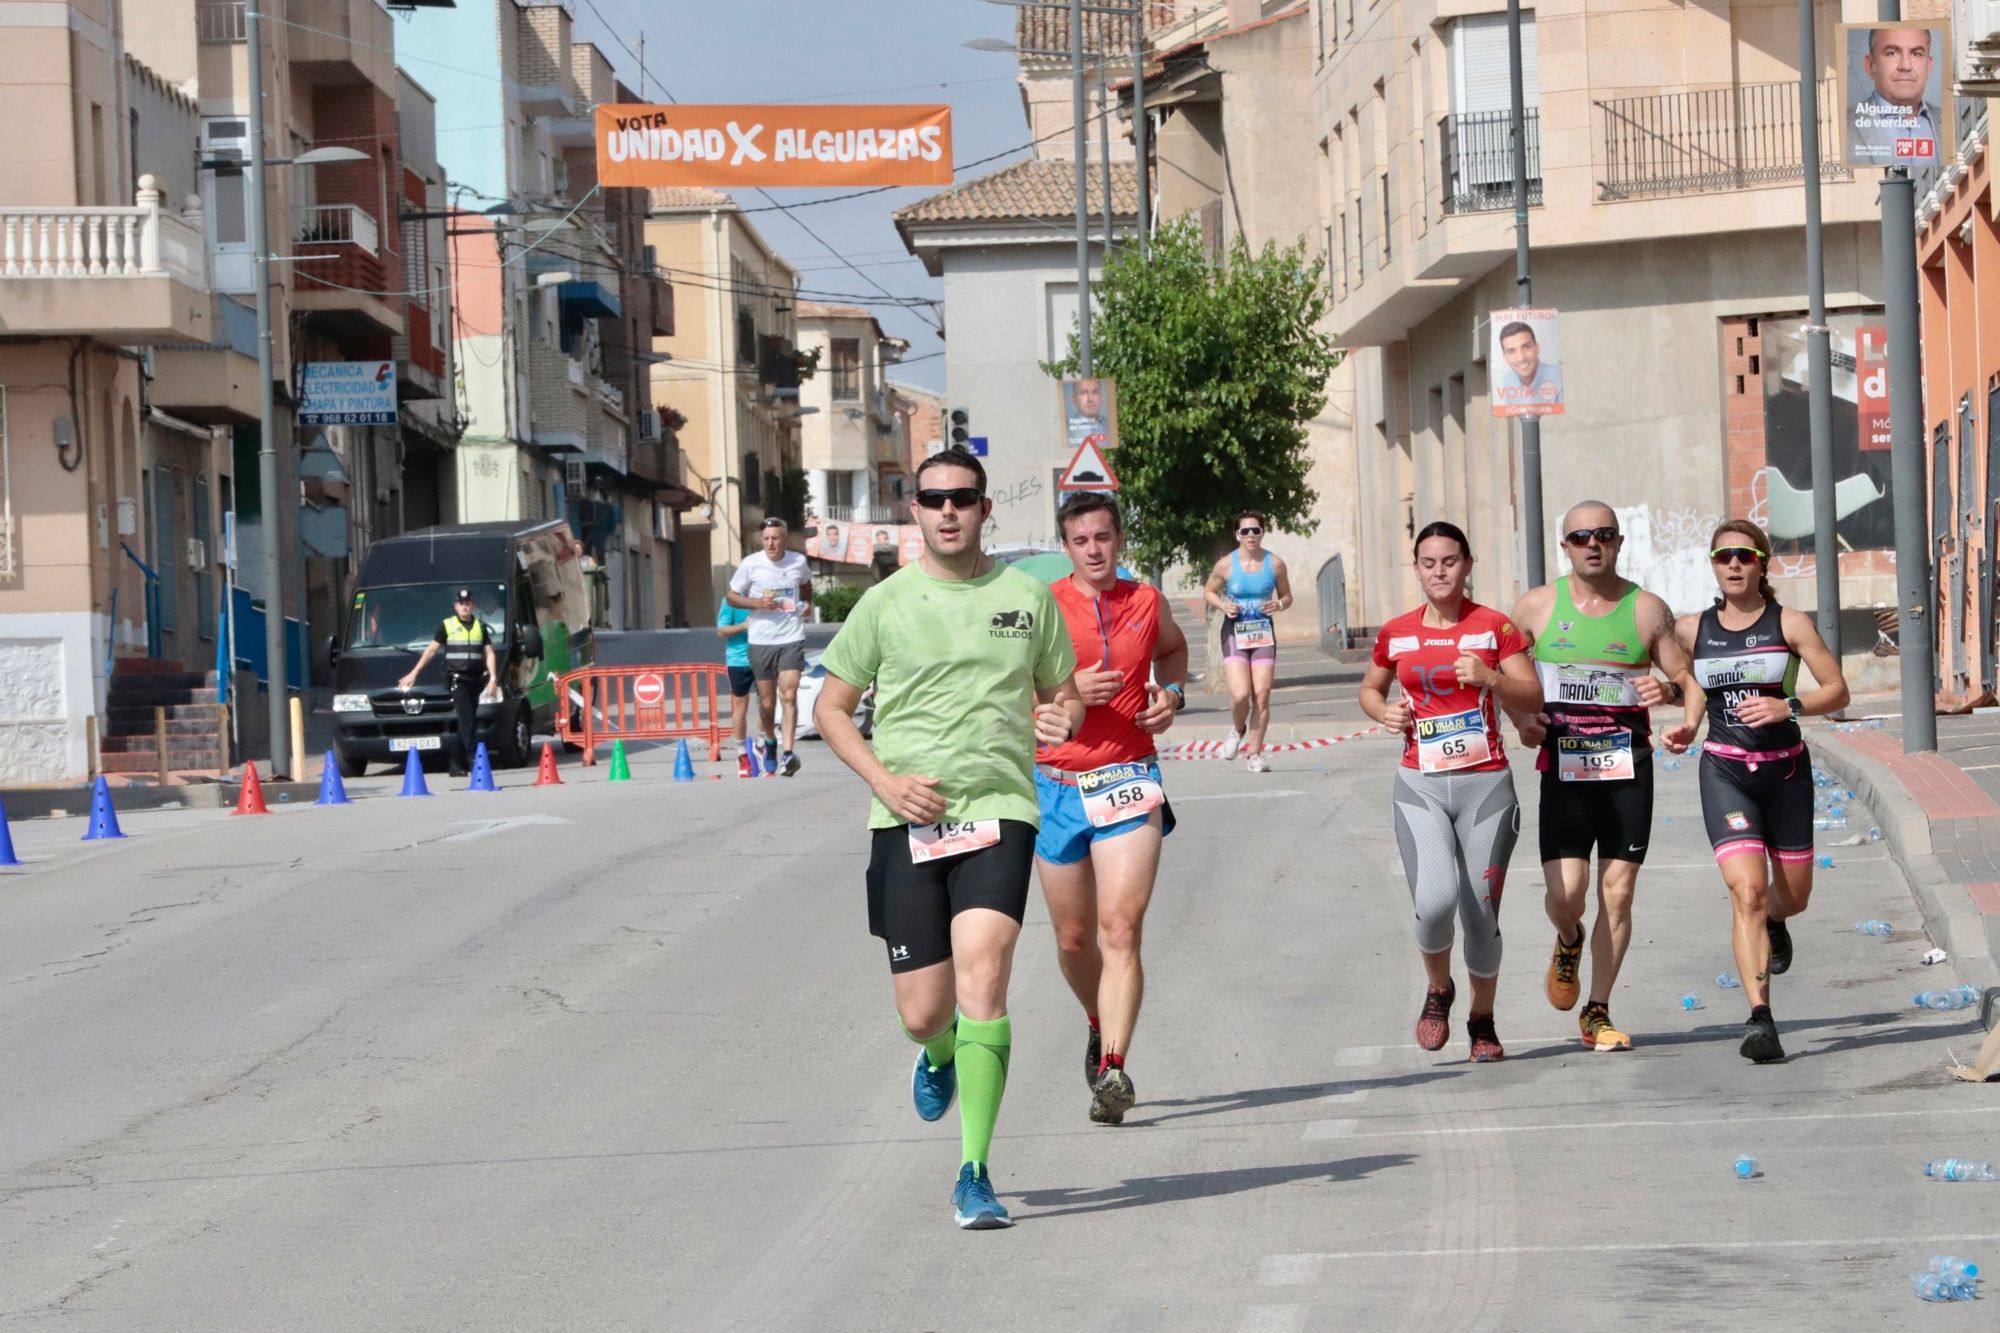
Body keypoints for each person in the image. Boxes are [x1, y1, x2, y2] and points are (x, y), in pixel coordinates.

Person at [814, 446, 1086, 1230]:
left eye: (962, 497)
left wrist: (1061, 716)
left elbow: (1062, 696)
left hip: (1000, 811)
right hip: (907, 821)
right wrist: (884, 781)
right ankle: (935, 1054)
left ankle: (974, 1170)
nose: (947, 510)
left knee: (987, 976)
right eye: (933, 498)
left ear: (983, 506)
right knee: (924, 1010)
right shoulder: (886, 603)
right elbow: (832, 707)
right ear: (916, 511)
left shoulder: (1027, 598)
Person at [1508, 502, 1701, 1052]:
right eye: (1581, 536)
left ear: (1618, 543)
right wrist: (1522, 719)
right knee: (1567, 895)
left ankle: (1597, 1010)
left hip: (1626, 769)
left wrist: (1674, 703)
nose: (1593, 544)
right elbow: (1503, 678)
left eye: (1605, 535)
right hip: (1564, 770)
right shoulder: (1537, 608)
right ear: (1565, 546)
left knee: (1617, 894)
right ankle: (1568, 939)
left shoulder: (1647, 610)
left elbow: (1686, 680)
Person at [1360, 522, 1542, 1061]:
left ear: (1468, 564)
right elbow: (1371, 689)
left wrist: (1491, 679)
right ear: (1416, 568)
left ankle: (1482, 1021)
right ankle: (1439, 988)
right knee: (1436, 901)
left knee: (1481, 909)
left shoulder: (1494, 626)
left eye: (1449, 561)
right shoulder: (1396, 632)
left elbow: (1531, 691)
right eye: (1428, 562)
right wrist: (1383, 711)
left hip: (1485, 785)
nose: (1439, 572)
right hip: (1420, 783)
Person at [1035, 491, 1189, 1124]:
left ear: (1119, 539)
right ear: (1065, 547)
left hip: (1128, 775)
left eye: (1103, 537)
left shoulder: (1147, 601)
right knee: (1075, 942)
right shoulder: (1042, 608)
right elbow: (1012, 686)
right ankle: (1097, 1021)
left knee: (1120, 928)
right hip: (1058, 783)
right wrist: (1068, 693)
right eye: (1080, 541)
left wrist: (1171, 693)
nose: (1094, 550)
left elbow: (1174, 652)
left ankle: (1115, 1069)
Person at [1675, 520, 1850, 1063]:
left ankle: (1776, 921)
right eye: (1723, 556)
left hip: (1786, 773)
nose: (1733, 565)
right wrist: (1684, 720)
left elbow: (1838, 689)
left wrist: (1788, 705)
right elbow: (1689, 683)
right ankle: (1760, 1020)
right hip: (1725, 771)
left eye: (1744, 556)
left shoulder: (1789, 623)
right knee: (1746, 890)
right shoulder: (1691, 629)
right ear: (1712, 564)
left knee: (1791, 897)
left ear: (1761, 563)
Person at [1202, 511, 1293, 772]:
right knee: (1241, 694)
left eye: (1256, 531)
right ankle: (1238, 728)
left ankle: (1254, 754)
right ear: (1237, 535)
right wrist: (1222, 604)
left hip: (1263, 632)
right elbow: (1208, 591)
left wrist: (1278, 604)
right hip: (1234, 632)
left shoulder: (1275, 564)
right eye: (1245, 531)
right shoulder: (1226, 565)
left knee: (1262, 695)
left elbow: (1287, 596)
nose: (1251, 536)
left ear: (1262, 533)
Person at [726, 517, 813, 777]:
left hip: (791, 636)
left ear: (784, 539)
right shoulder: (751, 564)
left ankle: (788, 753)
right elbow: (731, 596)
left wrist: (806, 604)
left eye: (775, 538)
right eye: (766, 539)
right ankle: (771, 743)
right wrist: (757, 603)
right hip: (761, 639)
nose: (771, 543)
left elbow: (806, 586)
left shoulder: (798, 562)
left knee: (789, 693)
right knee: (766, 703)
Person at [396, 587, 500, 778]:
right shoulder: (447, 625)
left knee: (465, 723)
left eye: (468, 603)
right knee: (467, 720)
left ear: (473, 605)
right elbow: (431, 651)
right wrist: (414, 673)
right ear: (455, 606)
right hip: (457, 680)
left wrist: (493, 678)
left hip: (475, 680)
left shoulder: (480, 627)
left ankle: (455, 763)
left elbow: (489, 653)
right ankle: (475, 762)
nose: (465, 606)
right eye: (461, 603)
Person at [1849, 27, 1940, 166]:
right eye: (1892, 53)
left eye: (1916, 54)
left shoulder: (1947, 120)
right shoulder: (1847, 126)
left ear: (1929, 66)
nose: (1905, 66)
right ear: (1870, 65)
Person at [716, 598, 754, 766]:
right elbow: (721, 630)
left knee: (768, 703)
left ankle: (763, 743)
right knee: (740, 705)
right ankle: (741, 751)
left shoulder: (766, 593)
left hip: (765, 656)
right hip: (738, 659)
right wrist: (744, 626)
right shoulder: (731, 601)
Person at [1497, 321, 1563, 408]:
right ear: (1505, 358)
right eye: (1511, 351)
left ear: (1537, 348)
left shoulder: (1560, 376)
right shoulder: (1509, 379)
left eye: (1526, 347)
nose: (1521, 358)